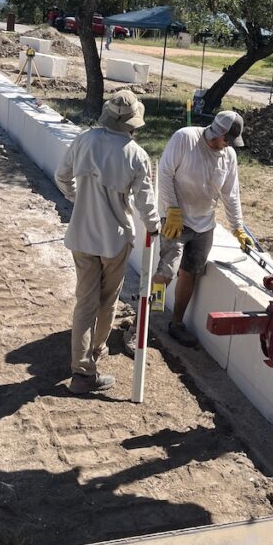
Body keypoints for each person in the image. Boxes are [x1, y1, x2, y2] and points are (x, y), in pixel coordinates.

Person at [55, 91, 160, 394]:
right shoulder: (135, 155)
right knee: (107, 302)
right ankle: (94, 355)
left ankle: (82, 369)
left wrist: (79, 199)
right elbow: (145, 204)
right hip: (114, 240)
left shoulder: (84, 140)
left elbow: (62, 177)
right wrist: (156, 228)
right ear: (133, 123)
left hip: (81, 235)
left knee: (85, 302)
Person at [153, 110, 252, 347]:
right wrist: (171, 211)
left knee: (190, 272)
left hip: (204, 225)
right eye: (226, 140)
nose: (227, 146)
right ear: (217, 132)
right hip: (176, 221)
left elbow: (231, 194)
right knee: (165, 273)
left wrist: (238, 227)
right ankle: (143, 320)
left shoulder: (228, 156)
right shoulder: (185, 139)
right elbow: (165, 173)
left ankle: (176, 323)